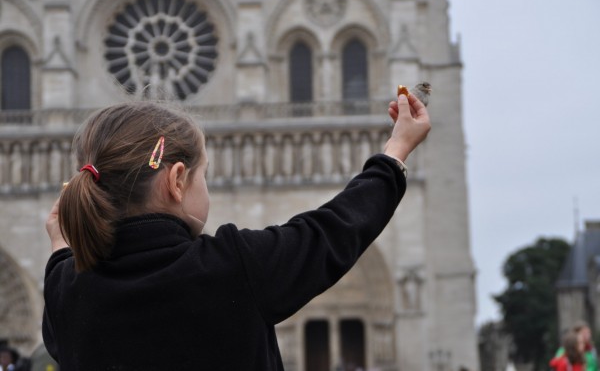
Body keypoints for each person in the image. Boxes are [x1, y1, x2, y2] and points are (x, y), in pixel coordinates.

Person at [43, 92, 431, 370]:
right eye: (204, 176)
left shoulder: (68, 290)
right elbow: (335, 229)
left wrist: (61, 250)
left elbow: (61, 296)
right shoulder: (233, 268)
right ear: (177, 181)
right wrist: (394, 153)